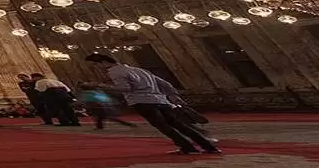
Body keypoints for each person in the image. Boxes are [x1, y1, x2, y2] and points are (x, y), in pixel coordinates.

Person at [84, 54, 220, 155]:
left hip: (142, 101)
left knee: (164, 127)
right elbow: (164, 84)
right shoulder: (139, 70)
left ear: (104, 62)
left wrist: (99, 85)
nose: (97, 68)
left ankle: (188, 148)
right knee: (179, 125)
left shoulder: (114, 72)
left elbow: (126, 88)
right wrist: (173, 96)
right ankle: (209, 147)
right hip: (160, 100)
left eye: (95, 65)